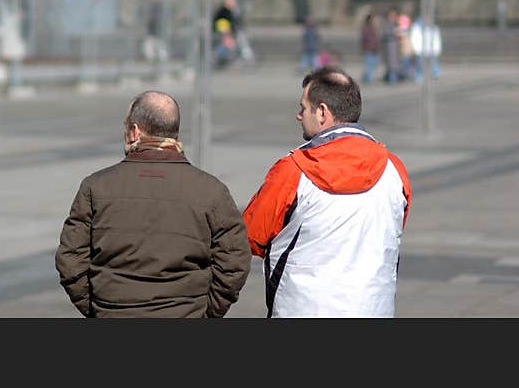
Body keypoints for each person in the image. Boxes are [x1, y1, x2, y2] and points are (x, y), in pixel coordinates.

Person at [55, 90, 251, 318]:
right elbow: (235, 262)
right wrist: (206, 311)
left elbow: (70, 260)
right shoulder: (212, 191)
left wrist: (96, 307)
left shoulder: (95, 187)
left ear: (135, 131)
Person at [242, 67, 412, 317]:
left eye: (303, 107)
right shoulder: (394, 170)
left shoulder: (292, 171)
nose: (299, 115)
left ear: (322, 112)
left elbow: (250, 236)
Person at [409, 16, 441, 82]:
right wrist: (416, 49)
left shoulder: (432, 27)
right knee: (419, 64)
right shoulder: (416, 27)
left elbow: (436, 38)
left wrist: (436, 48)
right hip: (420, 49)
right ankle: (419, 76)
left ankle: (436, 73)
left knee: (432, 62)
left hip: (430, 49)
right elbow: (414, 38)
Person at [359, 12, 381, 83]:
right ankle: (368, 79)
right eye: (374, 19)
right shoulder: (366, 27)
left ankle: (367, 77)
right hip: (369, 48)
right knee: (369, 64)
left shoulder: (374, 28)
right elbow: (365, 38)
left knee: (373, 64)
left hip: (374, 49)